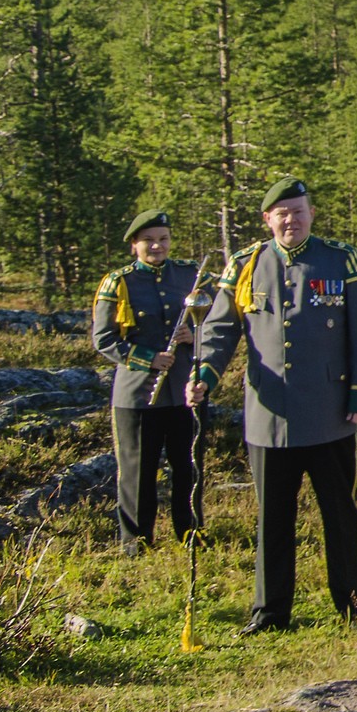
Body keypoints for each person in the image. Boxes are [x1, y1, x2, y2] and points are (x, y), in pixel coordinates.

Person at [190, 177, 357, 635]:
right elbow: (219, 331)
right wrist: (204, 377)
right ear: (267, 220)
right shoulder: (245, 264)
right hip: (268, 415)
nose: (291, 220)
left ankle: (356, 609)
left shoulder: (342, 258)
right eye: (282, 213)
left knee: (340, 515)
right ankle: (270, 613)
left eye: (298, 211)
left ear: (311, 214)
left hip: (329, 413)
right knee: (272, 520)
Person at [93, 210, 203, 552]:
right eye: (149, 240)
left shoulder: (190, 275)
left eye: (163, 239)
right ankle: (136, 541)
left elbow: (217, 323)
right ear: (134, 246)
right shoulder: (119, 282)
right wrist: (148, 359)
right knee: (138, 470)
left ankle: (190, 532)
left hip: (184, 389)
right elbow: (104, 339)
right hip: (139, 394)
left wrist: (193, 334)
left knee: (188, 465)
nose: (157, 246)